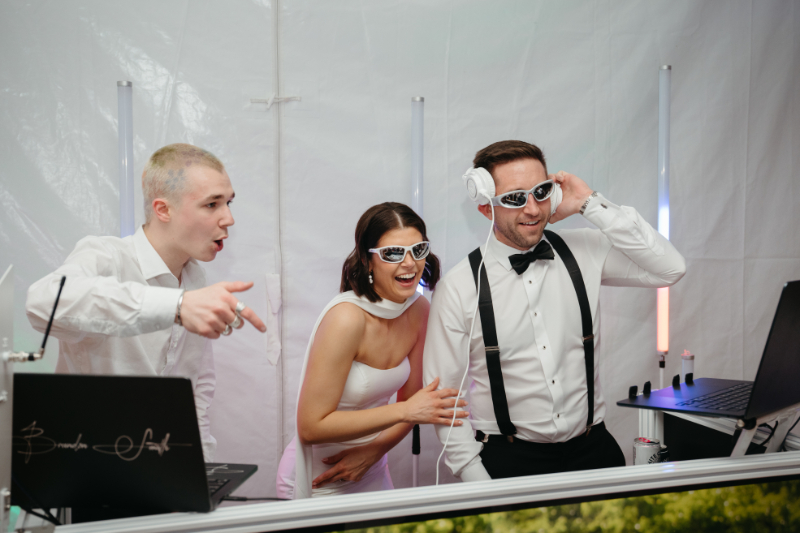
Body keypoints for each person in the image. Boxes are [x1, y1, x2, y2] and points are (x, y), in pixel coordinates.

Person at [423, 140, 686, 481]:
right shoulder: (459, 288)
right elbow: (445, 403)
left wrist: (590, 203)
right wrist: (479, 483)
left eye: (541, 192)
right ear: (487, 209)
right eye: (516, 198)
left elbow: (670, 268)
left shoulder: (584, 249)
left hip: (594, 451)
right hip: (507, 460)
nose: (533, 209)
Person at [26, 143, 267, 461]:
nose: (229, 219)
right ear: (163, 209)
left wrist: (199, 465)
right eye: (212, 205)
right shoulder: (106, 256)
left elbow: (196, 384)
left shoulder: (196, 279)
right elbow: (44, 303)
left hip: (161, 467)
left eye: (229, 203)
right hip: (89, 470)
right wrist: (176, 306)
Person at [276, 202, 468, 499]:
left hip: (372, 465)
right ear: (368, 260)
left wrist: (373, 452)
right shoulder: (347, 319)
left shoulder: (419, 310)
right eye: (393, 253)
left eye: (418, 250)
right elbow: (311, 427)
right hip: (321, 477)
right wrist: (406, 410)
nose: (409, 264)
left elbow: (414, 399)